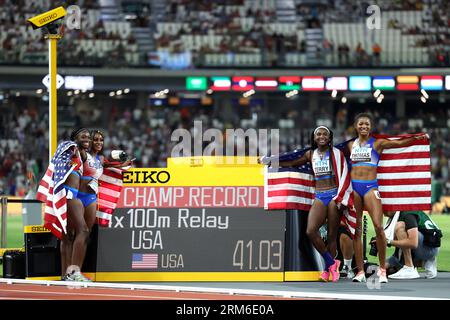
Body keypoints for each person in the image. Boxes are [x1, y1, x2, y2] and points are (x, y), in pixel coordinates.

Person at [262, 126, 355, 282]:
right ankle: (332, 262)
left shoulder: (336, 154)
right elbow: (293, 162)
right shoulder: (310, 154)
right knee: (311, 231)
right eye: (318, 134)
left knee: (332, 236)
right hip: (319, 196)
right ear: (314, 138)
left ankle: (327, 271)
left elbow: (344, 173)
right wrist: (271, 161)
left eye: (325, 134)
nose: (321, 136)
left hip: (334, 196)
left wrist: (341, 198)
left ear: (330, 138)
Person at [347, 113, 428, 283]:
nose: (364, 127)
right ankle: (360, 271)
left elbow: (398, 143)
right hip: (355, 189)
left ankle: (382, 270)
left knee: (378, 226)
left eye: (367, 124)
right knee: (357, 230)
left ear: (371, 127)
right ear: (355, 126)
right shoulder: (350, 145)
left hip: (370, 187)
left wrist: (415, 138)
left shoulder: (378, 143)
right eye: (360, 124)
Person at [76, 130, 133, 276]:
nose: (99, 142)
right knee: (74, 235)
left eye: (101, 140)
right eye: (95, 139)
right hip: (78, 196)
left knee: (85, 235)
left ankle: (76, 272)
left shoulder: (100, 159)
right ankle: (69, 272)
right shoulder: (84, 155)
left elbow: (114, 166)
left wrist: (125, 162)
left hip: (91, 198)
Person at [60, 127, 91, 282]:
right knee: (83, 231)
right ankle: (74, 273)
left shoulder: (80, 155)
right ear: (74, 138)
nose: (87, 138)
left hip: (69, 194)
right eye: (83, 136)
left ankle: (65, 275)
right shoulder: (71, 148)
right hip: (68, 194)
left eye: (88, 137)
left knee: (68, 236)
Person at [380, 211, 442, 279]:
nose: (385, 214)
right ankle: (425, 261)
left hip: (427, 248)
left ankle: (409, 267)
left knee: (399, 226)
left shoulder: (407, 214)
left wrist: (388, 242)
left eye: (385, 211)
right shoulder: (405, 211)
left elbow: (413, 243)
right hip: (430, 244)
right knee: (382, 268)